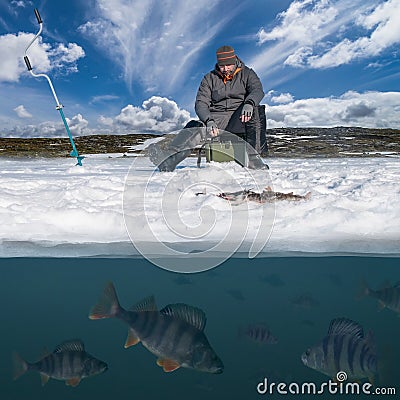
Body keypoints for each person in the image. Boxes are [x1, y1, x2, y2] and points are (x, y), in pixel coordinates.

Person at [148, 45, 268, 171]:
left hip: (239, 117)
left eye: (228, 65)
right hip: (216, 119)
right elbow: (201, 103)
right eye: (222, 66)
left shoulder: (248, 73)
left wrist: (249, 103)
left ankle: (255, 162)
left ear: (235, 61)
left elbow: (257, 90)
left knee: (256, 111)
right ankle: (168, 161)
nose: (225, 69)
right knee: (194, 125)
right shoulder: (209, 78)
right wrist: (208, 120)